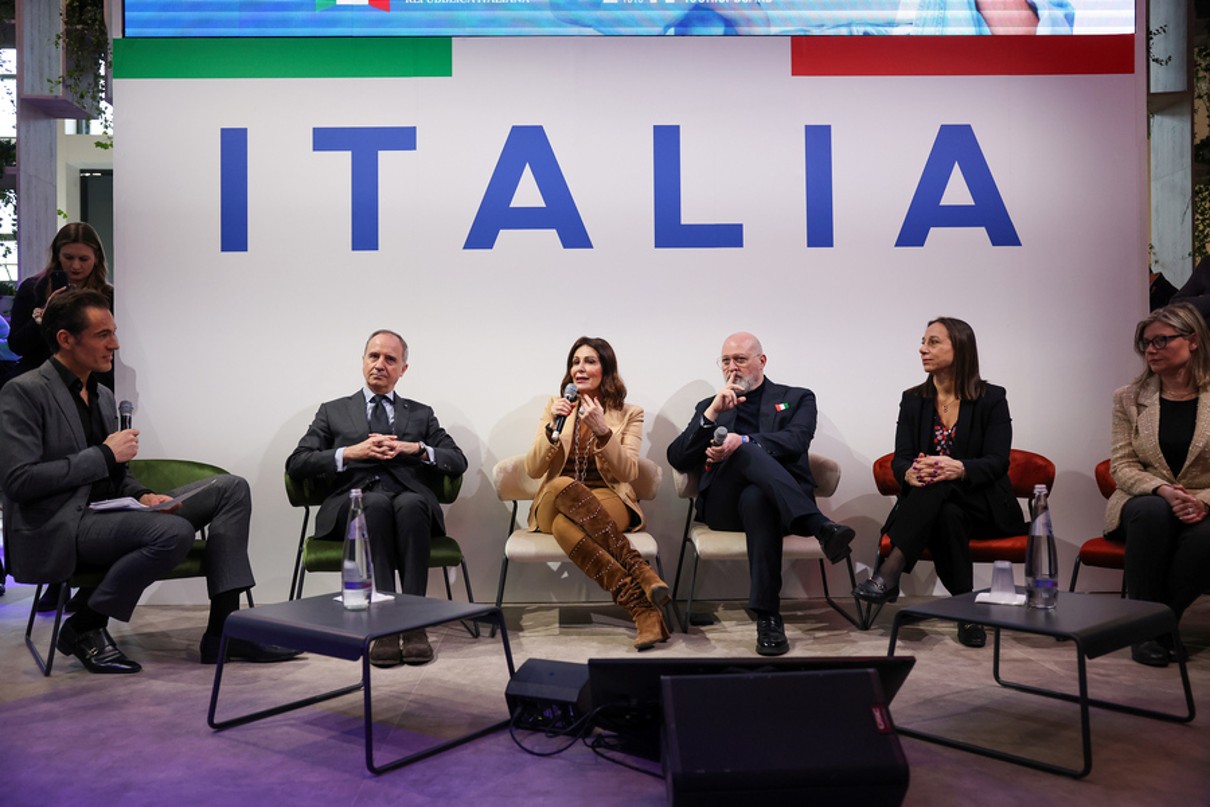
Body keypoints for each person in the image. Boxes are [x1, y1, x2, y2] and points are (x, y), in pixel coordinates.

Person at [0, 289, 298, 673]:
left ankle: (225, 631)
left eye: (114, 332)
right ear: (65, 339)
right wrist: (105, 454)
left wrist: (143, 494)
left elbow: (118, 473)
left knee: (231, 488)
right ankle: (85, 624)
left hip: (111, 513)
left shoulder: (104, 396)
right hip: (59, 522)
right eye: (102, 334)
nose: (115, 344)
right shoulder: (24, 392)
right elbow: (19, 481)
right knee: (171, 533)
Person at [286, 330, 467, 668]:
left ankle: (414, 625)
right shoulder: (333, 411)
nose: (380, 365)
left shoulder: (421, 414)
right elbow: (297, 463)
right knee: (374, 505)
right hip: (352, 501)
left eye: (390, 359)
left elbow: (457, 460)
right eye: (374, 357)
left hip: (409, 501)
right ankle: (384, 626)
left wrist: (416, 448)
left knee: (411, 504)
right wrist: (349, 452)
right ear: (363, 362)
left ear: (403, 369)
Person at [667, 332, 855, 657]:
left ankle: (768, 618)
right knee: (742, 450)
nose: (732, 367)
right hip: (723, 508)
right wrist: (712, 413)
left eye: (739, 359)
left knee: (756, 492)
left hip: (779, 508)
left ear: (761, 361)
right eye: (725, 360)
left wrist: (743, 442)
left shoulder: (797, 398)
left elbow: (796, 440)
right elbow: (677, 458)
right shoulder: (710, 407)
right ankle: (820, 527)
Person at [853, 317, 1025, 649]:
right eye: (923, 341)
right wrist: (908, 473)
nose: (922, 349)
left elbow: (997, 461)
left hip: (984, 506)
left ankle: (889, 573)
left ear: (959, 348)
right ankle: (968, 612)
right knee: (945, 510)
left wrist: (957, 468)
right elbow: (901, 456)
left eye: (933, 342)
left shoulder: (992, 398)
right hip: (940, 512)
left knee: (941, 484)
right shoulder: (913, 399)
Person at [525, 336, 670, 650]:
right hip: (553, 499)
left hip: (605, 498)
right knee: (565, 486)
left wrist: (604, 431)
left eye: (589, 361)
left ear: (606, 369)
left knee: (567, 524)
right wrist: (553, 431)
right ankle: (639, 569)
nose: (580, 368)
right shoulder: (555, 406)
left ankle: (640, 609)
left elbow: (628, 474)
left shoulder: (629, 413)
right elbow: (533, 469)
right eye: (575, 362)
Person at [1104, 302, 1210, 667]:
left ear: (1192, 340)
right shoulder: (1129, 398)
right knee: (1152, 512)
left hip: (1204, 504)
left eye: (1161, 341)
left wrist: (1204, 501)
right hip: (1144, 499)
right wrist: (1163, 490)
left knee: (1205, 536)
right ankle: (1147, 628)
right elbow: (1122, 465)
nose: (1151, 350)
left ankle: (1159, 624)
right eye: (1145, 343)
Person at [8, 222, 115, 389]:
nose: (75, 266)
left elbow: (112, 347)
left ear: (96, 258)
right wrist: (44, 314)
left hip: (92, 385)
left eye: (83, 259)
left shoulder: (108, 296)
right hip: (40, 385)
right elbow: (17, 345)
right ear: (58, 256)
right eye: (69, 258)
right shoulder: (33, 289)